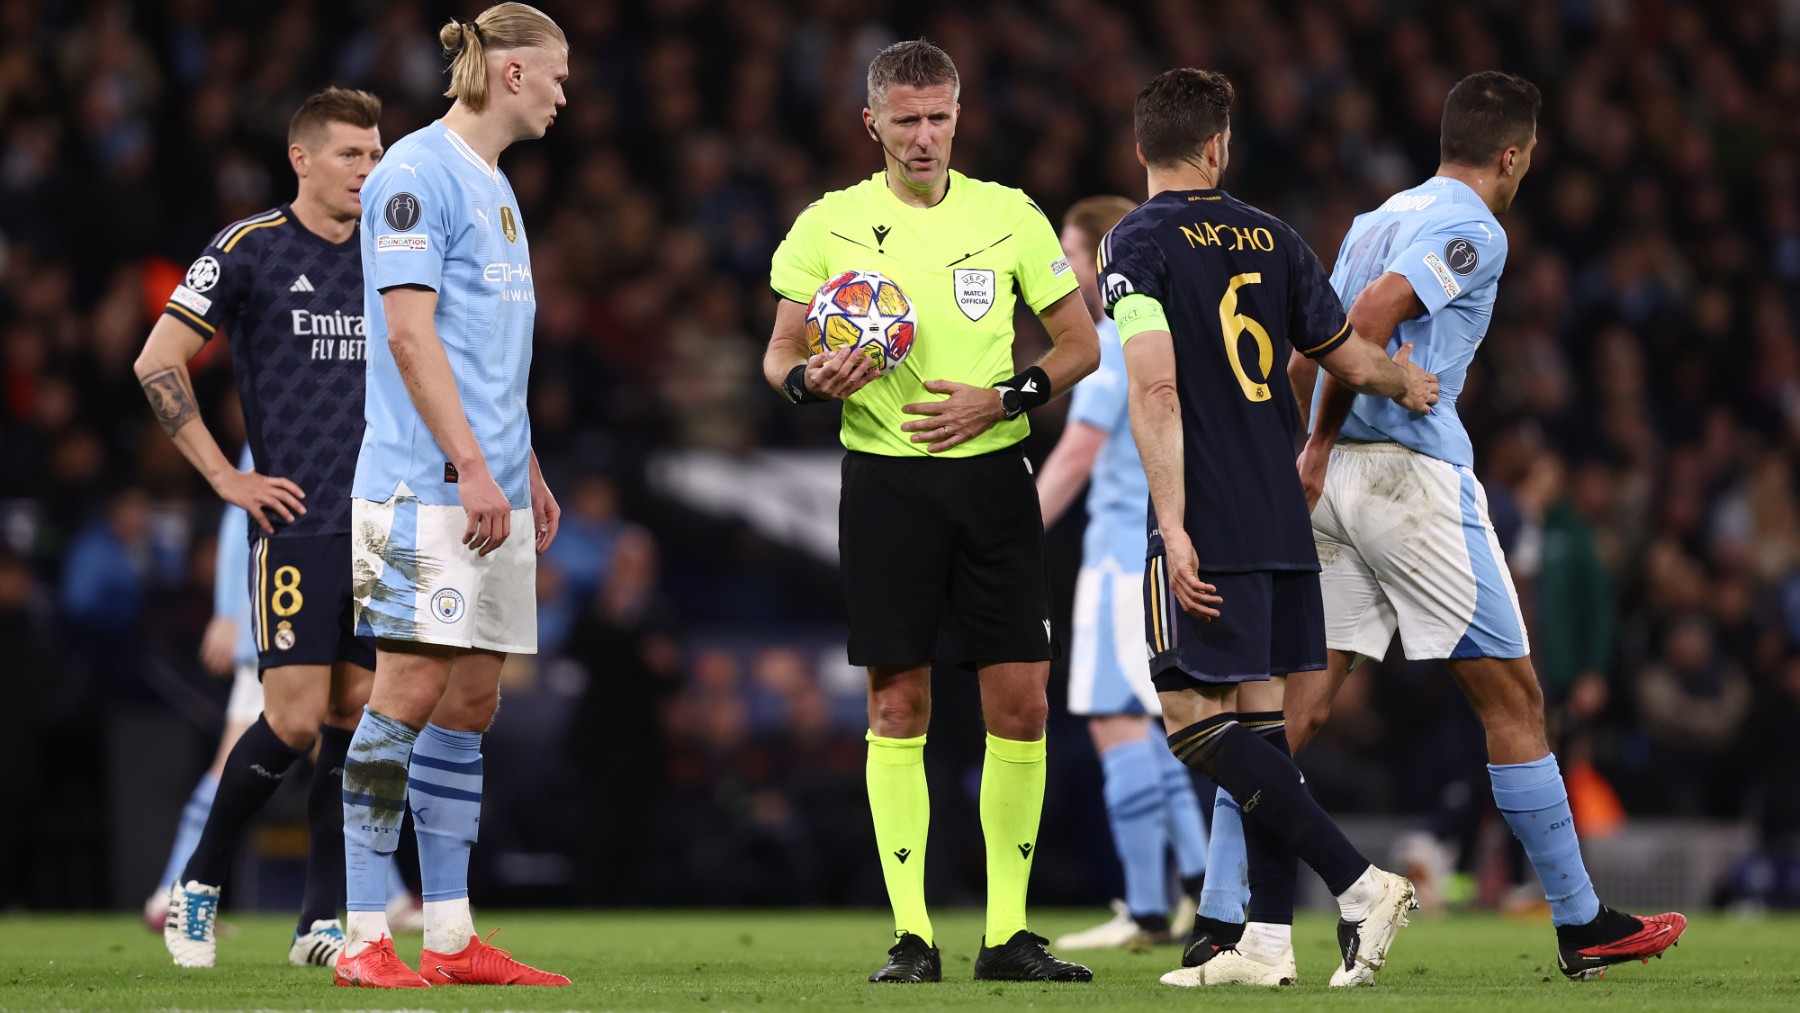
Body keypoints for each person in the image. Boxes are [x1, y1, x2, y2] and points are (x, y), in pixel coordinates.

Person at [1269, 70, 1686, 983]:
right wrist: (1382, 396)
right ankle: (1582, 923)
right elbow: (1370, 320)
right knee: (1516, 700)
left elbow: (1316, 344)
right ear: (1512, 154)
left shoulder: (1374, 217)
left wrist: (1315, 447)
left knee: (1293, 711)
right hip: (1411, 480)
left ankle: (1230, 924)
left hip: (1334, 477)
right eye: (1528, 157)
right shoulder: (1474, 226)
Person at [762, 38, 1101, 984]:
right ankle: (912, 936)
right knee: (898, 700)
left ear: (960, 116)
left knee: (1022, 704)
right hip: (886, 482)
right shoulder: (829, 224)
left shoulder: (1010, 216)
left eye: (938, 117)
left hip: (996, 478)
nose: (922, 136)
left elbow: (1079, 344)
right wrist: (808, 382)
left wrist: (1006, 396)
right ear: (870, 122)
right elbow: (779, 354)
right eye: (904, 119)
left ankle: (1007, 934)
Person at [1105, 68, 1438, 989]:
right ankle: (1265, 939)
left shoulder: (1134, 241)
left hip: (1208, 512)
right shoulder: (1276, 236)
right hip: (1284, 515)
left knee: (1191, 726)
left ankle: (1360, 882)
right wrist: (1403, 381)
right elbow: (1340, 355)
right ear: (1218, 145)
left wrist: (1171, 523)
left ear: (1143, 148)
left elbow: (1156, 385)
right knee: (1262, 728)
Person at [335, 3, 568, 990]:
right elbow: (410, 336)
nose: (565, 92)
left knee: (471, 699)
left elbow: (486, 352)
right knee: (406, 692)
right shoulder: (417, 172)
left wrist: (524, 465)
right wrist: (474, 465)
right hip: (420, 483)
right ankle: (358, 932)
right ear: (511, 73)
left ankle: (450, 932)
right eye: (557, 73)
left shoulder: (497, 188)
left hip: (488, 484)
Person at [133, 87, 386, 970]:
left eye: (375, 152)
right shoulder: (248, 249)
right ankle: (197, 886)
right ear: (302, 159)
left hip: (379, 524)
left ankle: (321, 919)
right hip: (297, 520)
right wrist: (225, 478)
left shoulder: (392, 254)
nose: (368, 168)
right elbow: (157, 359)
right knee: (292, 720)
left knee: (358, 716)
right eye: (351, 154)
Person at [143, 450, 427, 940]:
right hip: (287, 607)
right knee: (291, 748)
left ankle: (175, 891)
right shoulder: (291, 408)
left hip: (319, 601)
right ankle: (178, 889)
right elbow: (242, 515)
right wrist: (231, 610)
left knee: (336, 751)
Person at [1035, 195, 1210, 951]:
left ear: (1099, 257)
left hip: (1114, 564)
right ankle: (1200, 892)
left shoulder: (1108, 347)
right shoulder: (1160, 343)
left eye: (1071, 256)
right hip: (1147, 559)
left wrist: (1010, 539)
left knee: (1117, 722)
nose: (1065, 272)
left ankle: (1148, 909)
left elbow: (1074, 458)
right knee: (1155, 729)